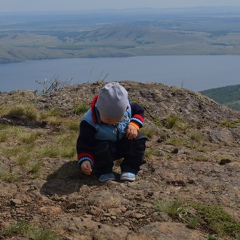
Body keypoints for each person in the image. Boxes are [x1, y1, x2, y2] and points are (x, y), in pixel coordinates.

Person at [76, 82, 147, 182]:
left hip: (123, 142)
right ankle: (104, 171)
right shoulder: (89, 122)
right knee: (100, 147)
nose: (113, 122)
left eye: (118, 119)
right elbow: (84, 144)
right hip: (103, 151)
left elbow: (139, 111)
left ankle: (129, 168)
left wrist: (134, 124)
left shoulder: (128, 108)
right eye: (108, 120)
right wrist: (85, 159)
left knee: (139, 140)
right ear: (99, 110)